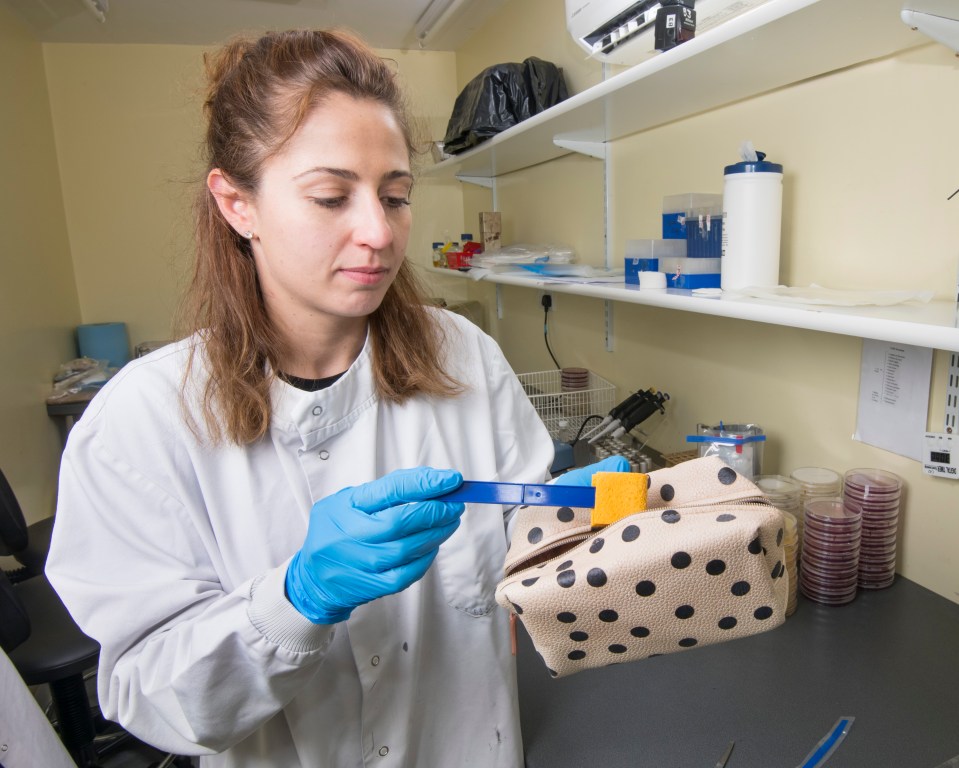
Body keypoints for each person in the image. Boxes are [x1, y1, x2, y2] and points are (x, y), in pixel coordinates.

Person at [46, 28, 626, 768]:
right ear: (236, 204)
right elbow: (152, 698)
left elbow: (512, 550)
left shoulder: (463, 355)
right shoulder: (143, 421)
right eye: (330, 196)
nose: (378, 232)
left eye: (395, 196)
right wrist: (294, 600)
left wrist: (558, 524)